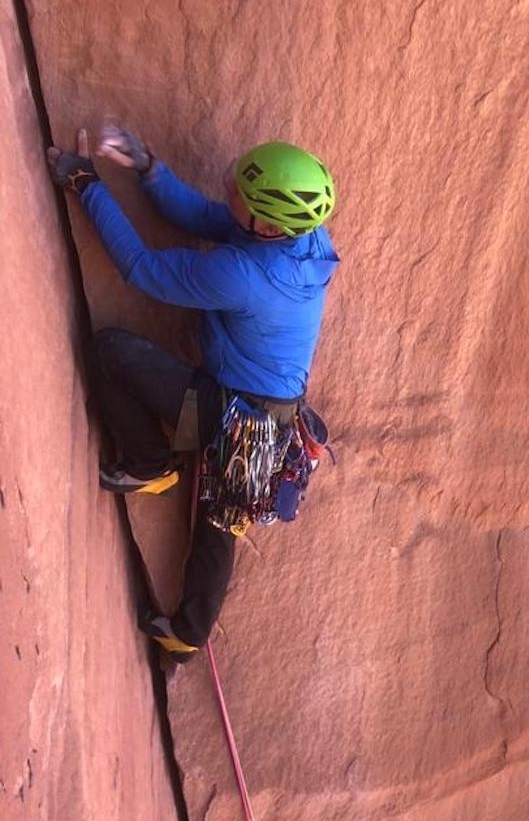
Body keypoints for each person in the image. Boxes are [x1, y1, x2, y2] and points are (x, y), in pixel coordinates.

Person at [47, 125, 339, 661]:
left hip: (227, 417)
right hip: (262, 422)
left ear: (270, 225)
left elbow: (140, 268)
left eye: (243, 197)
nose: (229, 194)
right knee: (218, 521)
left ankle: (150, 461)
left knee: (111, 352)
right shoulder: (310, 240)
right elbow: (212, 218)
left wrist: (88, 183)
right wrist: (149, 169)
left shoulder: (242, 274)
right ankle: (187, 636)